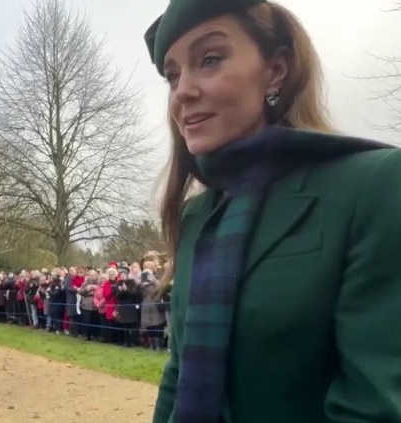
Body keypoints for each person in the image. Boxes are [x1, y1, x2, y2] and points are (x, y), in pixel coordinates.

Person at [144, 1, 401, 422]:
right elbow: (179, 373)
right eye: (173, 75)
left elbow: (374, 405)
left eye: (209, 59)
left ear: (276, 70)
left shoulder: (375, 186)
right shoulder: (196, 217)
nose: (182, 91)